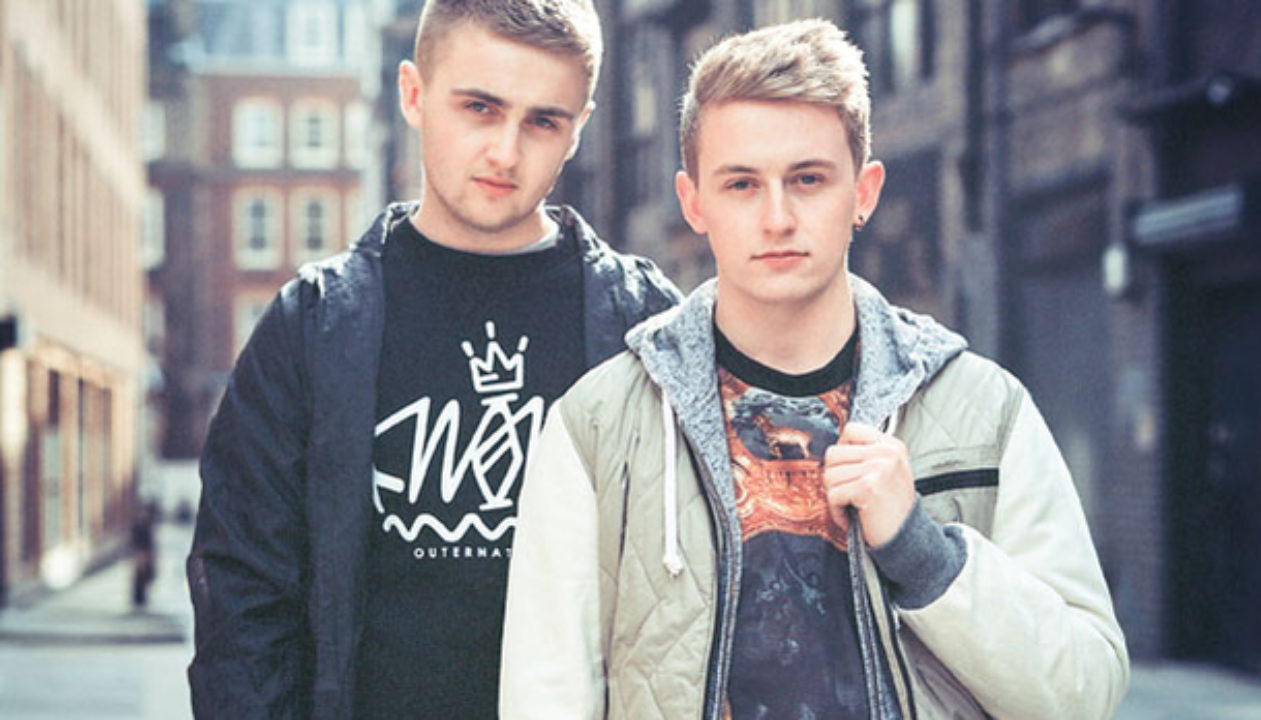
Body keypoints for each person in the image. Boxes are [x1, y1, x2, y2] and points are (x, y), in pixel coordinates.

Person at [500, 18, 1129, 720]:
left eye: (807, 179)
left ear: (864, 192)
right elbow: (545, 697)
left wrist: (922, 553)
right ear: (693, 203)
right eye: (742, 184)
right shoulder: (598, 425)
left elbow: (1086, 692)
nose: (777, 218)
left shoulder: (984, 409)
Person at [186, 1, 680, 718]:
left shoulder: (643, 324)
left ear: (579, 128)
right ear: (413, 95)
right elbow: (242, 605)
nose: (506, 152)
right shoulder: (314, 326)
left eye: (543, 121)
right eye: (480, 108)